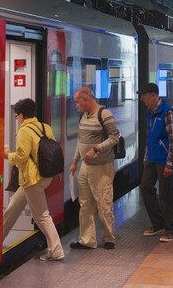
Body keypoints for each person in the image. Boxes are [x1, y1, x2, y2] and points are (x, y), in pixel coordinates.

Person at [2, 98, 64, 261]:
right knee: (14, 205)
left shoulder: (24, 131)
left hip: (32, 179)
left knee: (42, 216)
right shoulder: (45, 127)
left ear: (22, 115)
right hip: (45, 175)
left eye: (17, 116)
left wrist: (7, 155)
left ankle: (56, 250)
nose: (18, 119)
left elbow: (22, 157)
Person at [68, 87, 120, 250]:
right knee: (85, 203)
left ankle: (109, 238)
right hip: (85, 166)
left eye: (78, 102)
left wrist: (96, 149)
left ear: (86, 99)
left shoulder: (104, 114)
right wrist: (75, 160)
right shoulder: (82, 116)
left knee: (103, 202)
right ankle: (87, 239)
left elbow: (114, 137)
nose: (76, 106)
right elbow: (80, 140)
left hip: (102, 166)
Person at [138, 82, 173, 242]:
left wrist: (171, 164)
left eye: (144, 96)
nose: (142, 99)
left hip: (164, 160)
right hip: (152, 159)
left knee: (166, 194)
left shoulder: (168, 112)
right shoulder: (150, 112)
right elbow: (151, 137)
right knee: (146, 188)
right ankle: (158, 223)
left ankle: (171, 229)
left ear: (153, 96)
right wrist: (145, 158)